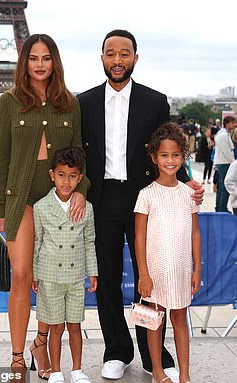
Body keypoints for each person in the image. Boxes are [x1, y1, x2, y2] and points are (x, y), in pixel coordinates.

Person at [77, 29, 203, 382]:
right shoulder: (83, 102)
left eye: (124, 53)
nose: (117, 60)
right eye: (111, 53)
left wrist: (188, 179)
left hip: (145, 199)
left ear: (135, 57)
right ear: (101, 57)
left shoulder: (155, 101)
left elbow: (169, 146)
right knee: (108, 279)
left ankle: (153, 355)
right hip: (102, 199)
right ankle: (116, 349)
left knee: (153, 279)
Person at [0, 34, 89, 378]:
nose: (40, 64)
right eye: (33, 58)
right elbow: (1, 156)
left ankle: (41, 341)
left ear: (55, 61)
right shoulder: (8, 101)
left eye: (46, 58)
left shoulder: (69, 103)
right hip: (21, 200)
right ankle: (18, 355)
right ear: (24, 62)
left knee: (50, 280)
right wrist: (0, 208)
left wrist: (82, 190)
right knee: (21, 276)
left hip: (57, 202)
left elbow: (79, 153)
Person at [134, 123, 201, 383]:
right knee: (155, 319)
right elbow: (139, 237)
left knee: (180, 318)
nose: (170, 160)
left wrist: (198, 269)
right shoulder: (146, 195)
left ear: (183, 157)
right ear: (154, 157)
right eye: (164, 155)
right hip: (155, 269)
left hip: (182, 268)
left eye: (175, 155)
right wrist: (143, 274)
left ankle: (184, 374)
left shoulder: (189, 195)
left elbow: (195, 234)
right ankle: (158, 372)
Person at [32, 147, 98, 383]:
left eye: (72, 176)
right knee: (56, 327)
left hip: (75, 276)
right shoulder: (40, 208)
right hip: (50, 277)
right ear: (52, 175)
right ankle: (57, 370)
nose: (66, 181)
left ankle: (77, 370)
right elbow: (37, 243)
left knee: (75, 326)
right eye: (61, 175)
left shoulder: (86, 209)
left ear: (79, 178)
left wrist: (93, 272)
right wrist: (35, 275)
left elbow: (89, 241)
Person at [213, 115, 236, 212]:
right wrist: (233, 162)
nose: (235, 125)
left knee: (222, 186)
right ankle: (221, 208)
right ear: (227, 123)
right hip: (225, 163)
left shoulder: (224, 134)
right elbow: (226, 151)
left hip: (224, 162)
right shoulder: (222, 135)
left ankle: (220, 207)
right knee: (224, 187)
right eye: (233, 123)